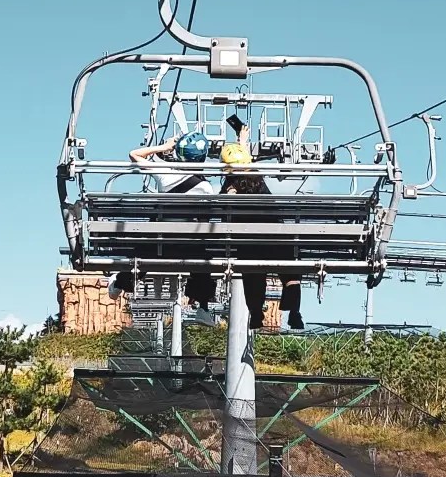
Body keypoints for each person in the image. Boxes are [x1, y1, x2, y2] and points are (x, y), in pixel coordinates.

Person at [107, 131, 216, 326]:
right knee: (204, 255)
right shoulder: (207, 187)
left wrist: (164, 148)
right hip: (190, 248)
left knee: (144, 255)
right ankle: (203, 306)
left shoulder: (166, 172)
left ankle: (119, 282)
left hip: (160, 246)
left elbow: (135, 154)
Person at [220, 141, 305, 331]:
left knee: (253, 274)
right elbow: (243, 160)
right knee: (291, 271)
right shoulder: (258, 179)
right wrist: (243, 140)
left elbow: (224, 211)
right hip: (278, 241)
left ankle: (256, 313)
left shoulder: (230, 186)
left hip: (249, 245)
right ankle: (294, 311)